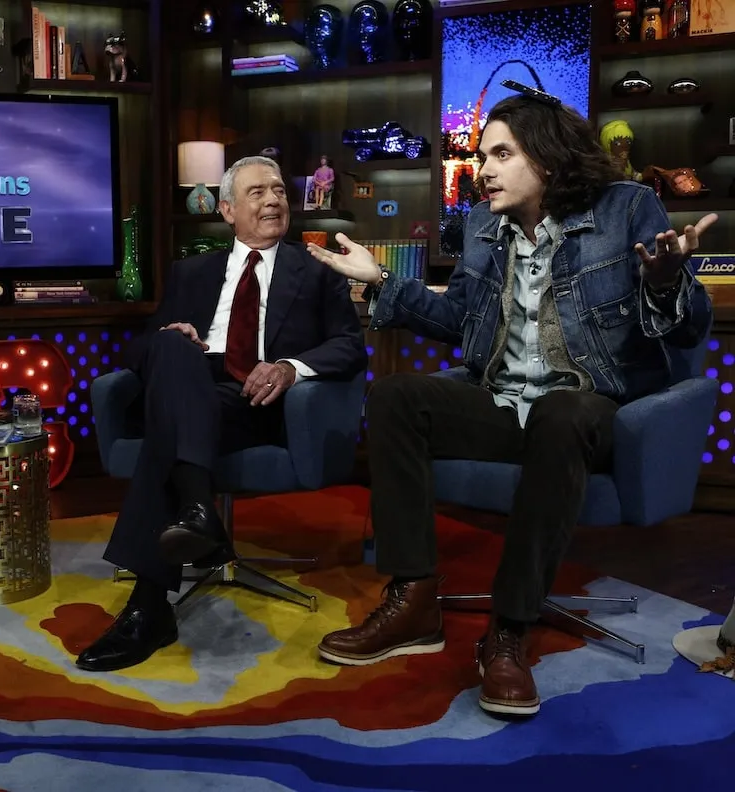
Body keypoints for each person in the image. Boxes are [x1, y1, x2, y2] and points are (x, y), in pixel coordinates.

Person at [306, 92, 717, 717]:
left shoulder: (626, 208)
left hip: (591, 406)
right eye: (481, 155)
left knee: (561, 411)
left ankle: (509, 628)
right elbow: (459, 321)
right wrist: (382, 282)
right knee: (394, 396)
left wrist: (665, 283)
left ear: (548, 161)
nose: (484, 169)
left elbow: (687, 333)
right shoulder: (481, 226)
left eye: (501, 154)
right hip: (502, 401)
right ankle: (414, 598)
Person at [75, 155, 367, 672]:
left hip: (257, 400)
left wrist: (289, 367)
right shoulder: (192, 271)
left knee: (169, 427)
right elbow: (138, 355)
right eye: (258, 192)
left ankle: (148, 608)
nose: (274, 199)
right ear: (228, 210)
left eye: (279, 189)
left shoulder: (315, 269)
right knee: (169, 349)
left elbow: (349, 346)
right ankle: (196, 511)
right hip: (192, 386)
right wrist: (174, 340)